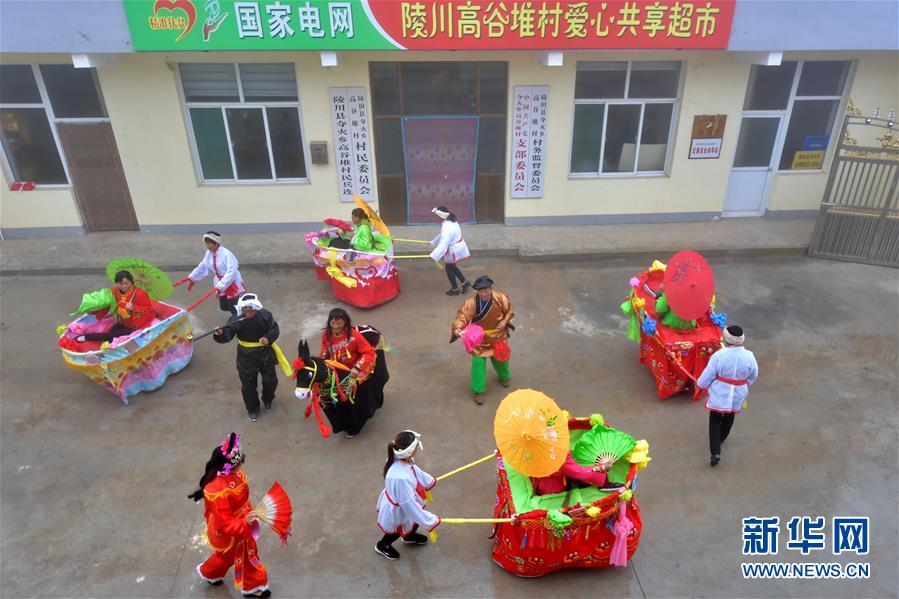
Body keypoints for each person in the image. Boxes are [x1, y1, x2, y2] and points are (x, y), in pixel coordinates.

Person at [189, 433, 271, 598]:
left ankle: (212, 573)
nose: (241, 466)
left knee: (235, 555)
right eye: (237, 464)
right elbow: (223, 522)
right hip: (231, 529)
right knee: (238, 555)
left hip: (242, 519)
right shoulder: (217, 490)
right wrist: (244, 523)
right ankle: (252, 586)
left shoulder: (234, 473)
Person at [214, 293, 289, 422]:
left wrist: (268, 338)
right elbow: (228, 333)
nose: (248, 314)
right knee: (248, 386)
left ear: (256, 308)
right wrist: (220, 333)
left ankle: (268, 398)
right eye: (245, 311)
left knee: (271, 381)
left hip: (265, 353)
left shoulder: (265, 315)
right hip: (246, 356)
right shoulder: (236, 319)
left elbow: (274, 329)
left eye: (251, 311)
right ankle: (253, 409)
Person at [696, 325, 759, 467]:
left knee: (714, 419)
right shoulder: (750, 356)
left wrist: (700, 384)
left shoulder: (719, 355)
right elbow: (753, 375)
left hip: (720, 391)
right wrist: (743, 384)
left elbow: (709, 373)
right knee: (730, 415)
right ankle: (722, 437)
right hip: (739, 392)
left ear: (726, 339)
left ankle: (715, 452)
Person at [375, 430, 439, 561]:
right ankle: (382, 545)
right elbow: (409, 506)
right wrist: (430, 520)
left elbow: (415, 471)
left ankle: (409, 535)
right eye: (416, 447)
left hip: (406, 497)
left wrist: (428, 481)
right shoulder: (400, 478)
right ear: (409, 452)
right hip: (400, 507)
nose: (417, 449)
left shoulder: (401, 459)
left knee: (413, 520)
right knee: (396, 531)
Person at [451, 275, 514, 404]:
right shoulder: (471, 302)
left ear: (491, 288)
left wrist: (505, 320)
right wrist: (458, 328)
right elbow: (462, 316)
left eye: (486, 291)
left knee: (501, 360)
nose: (483, 294)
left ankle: (504, 377)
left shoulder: (501, 298)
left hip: (497, 336)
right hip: (479, 339)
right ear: (477, 291)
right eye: (480, 291)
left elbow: (509, 310)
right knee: (478, 366)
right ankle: (478, 391)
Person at [319, 308, 380, 438]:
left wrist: (357, 368)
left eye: (339, 323)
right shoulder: (326, 335)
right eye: (333, 323)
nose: (336, 327)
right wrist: (322, 362)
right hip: (336, 369)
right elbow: (324, 351)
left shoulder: (354, 336)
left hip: (353, 370)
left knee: (352, 398)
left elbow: (369, 352)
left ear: (346, 322)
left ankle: (355, 424)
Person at [76, 270, 155, 343]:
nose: (124, 286)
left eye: (126, 283)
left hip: (134, 326)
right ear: (117, 283)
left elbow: (149, 310)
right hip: (121, 322)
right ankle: (103, 346)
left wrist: (134, 307)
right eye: (121, 284)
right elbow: (108, 305)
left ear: (131, 281)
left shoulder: (140, 294)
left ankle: (87, 337)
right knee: (109, 337)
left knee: (109, 335)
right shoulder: (114, 291)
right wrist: (95, 311)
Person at [186, 231, 245, 315]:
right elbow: (204, 265)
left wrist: (221, 285)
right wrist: (193, 277)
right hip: (220, 281)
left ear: (216, 243)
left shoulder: (227, 254)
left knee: (233, 306)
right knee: (224, 306)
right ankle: (241, 312)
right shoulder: (209, 253)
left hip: (231, 282)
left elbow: (231, 271)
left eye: (210, 243)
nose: (207, 246)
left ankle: (240, 317)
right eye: (206, 243)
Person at [533, 452, 625, 495]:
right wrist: (601, 468)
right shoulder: (558, 454)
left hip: (542, 483)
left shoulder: (535, 450)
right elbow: (578, 472)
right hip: (553, 489)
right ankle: (604, 483)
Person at [430, 206, 470, 295]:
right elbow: (442, 235)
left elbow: (444, 242)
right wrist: (434, 241)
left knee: (449, 268)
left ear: (441, 216)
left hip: (453, 250)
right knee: (452, 267)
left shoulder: (447, 227)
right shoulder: (450, 221)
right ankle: (464, 283)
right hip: (456, 246)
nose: (435, 218)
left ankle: (455, 289)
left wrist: (434, 255)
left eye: (436, 216)